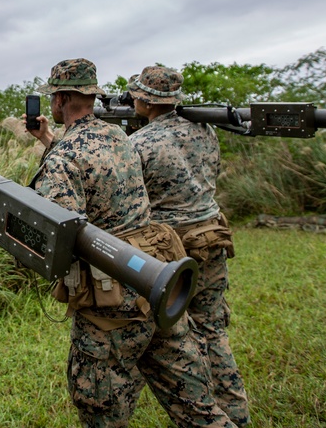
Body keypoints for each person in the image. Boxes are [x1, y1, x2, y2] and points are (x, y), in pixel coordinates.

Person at [26, 58, 236, 428]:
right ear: (92, 96)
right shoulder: (120, 138)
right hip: (157, 280)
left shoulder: (67, 156)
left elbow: (55, 234)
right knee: (196, 407)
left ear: (59, 100)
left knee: (101, 409)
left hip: (113, 299)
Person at [126, 65, 250, 426]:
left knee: (174, 339)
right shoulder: (206, 130)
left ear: (147, 101)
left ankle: (202, 414)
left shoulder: (141, 144)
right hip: (212, 237)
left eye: (137, 94)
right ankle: (236, 413)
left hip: (172, 251)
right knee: (212, 328)